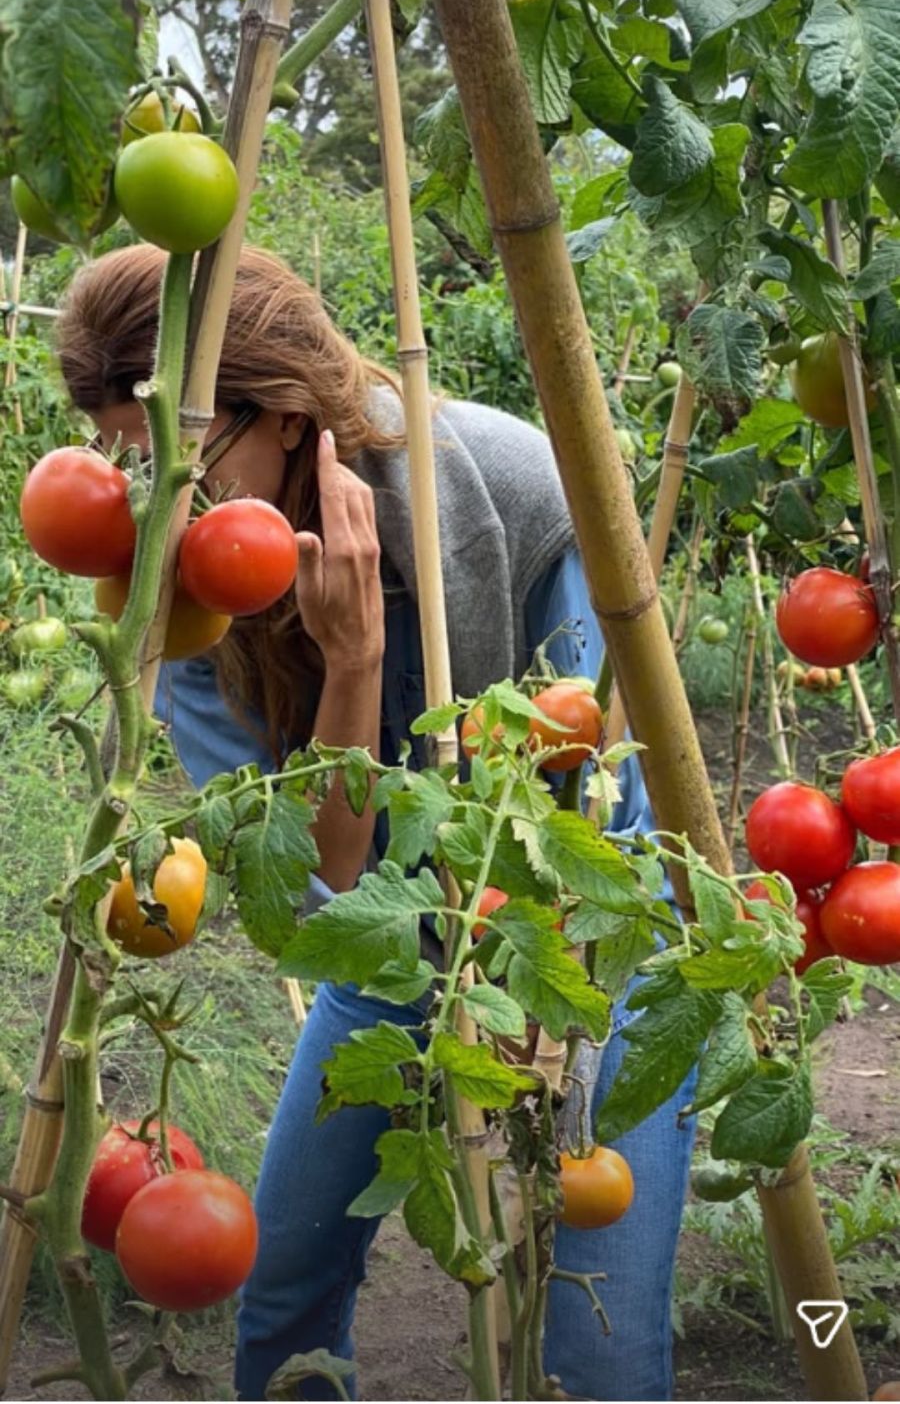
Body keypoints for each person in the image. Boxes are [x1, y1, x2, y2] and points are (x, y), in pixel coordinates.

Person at [57, 242, 697, 1403]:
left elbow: (597, 817)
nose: (155, 503)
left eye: (185, 464)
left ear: (289, 418)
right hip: (390, 945)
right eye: (123, 462)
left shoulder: (511, 491)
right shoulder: (185, 599)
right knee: (284, 1292)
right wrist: (352, 657)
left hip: (586, 952)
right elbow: (330, 892)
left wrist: (525, 1002)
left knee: (596, 1357)